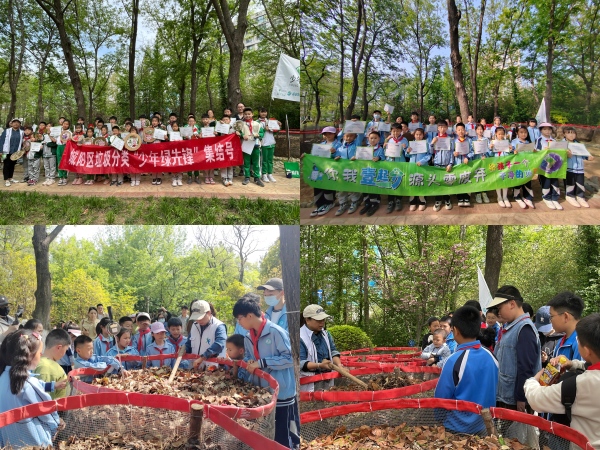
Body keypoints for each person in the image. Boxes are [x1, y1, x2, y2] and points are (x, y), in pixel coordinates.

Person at [525, 313, 600, 449]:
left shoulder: (580, 385)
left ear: (587, 351)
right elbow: (588, 365)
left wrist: (533, 380)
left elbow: (536, 399)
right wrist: (573, 364)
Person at [233, 296, 299, 449]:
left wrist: (262, 363)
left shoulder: (276, 332)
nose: (239, 323)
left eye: (239, 318)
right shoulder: (249, 337)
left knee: (282, 433)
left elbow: (290, 358)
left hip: (281, 392)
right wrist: (250, 361)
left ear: (250, 316)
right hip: (262, 392)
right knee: (265, 432)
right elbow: (250, 356)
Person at [434, 306, 499, 434]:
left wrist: (440, 420)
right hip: (485, 426)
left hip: (456, 428)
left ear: (456, 331)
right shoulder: (492, 357)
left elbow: (441, 398)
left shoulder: (453, 360)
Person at [0, 330, 62, 448]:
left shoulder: (2, 377)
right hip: (34, 442)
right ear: (28, 355)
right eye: (39, 353)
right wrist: (56, 425)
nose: (41, 355)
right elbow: (47, 412)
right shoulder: (28, 383)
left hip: (9, 442)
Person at [488, 285, 541, 413]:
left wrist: (521, 398)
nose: (498, 312)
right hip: (506, 396)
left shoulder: (525, 329)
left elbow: (526, 367)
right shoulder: (511, 327)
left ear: (512, 304)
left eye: (500, 308)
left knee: (516, 433)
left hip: (515, 401)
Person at [299, 304, 342, 392]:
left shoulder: (326, 334)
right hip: (309, 384)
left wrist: (339, 366)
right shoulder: (300, 337)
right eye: (318, 320)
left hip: (327, 380)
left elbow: (333, 351)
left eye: (323, 319)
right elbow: (299, 363)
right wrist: (319, 365)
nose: (322, 322)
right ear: (307, 320)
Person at [305, 126, 339, 217]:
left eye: (330, 133)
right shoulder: (321, 144)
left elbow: (341, 155)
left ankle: (329, 203)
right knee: (318, 185)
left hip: (331, 169)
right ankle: (319, 205)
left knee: (328, 185)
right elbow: (315, 155)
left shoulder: (338, 144)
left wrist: (334, 153)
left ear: (334, 134)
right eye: (325, 134)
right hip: (319, 168)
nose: (327, 135)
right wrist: (306, 156)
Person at [188, 300, 227, 370]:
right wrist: (185, 348)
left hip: (212, 369)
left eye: (201, 317)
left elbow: (219, 344)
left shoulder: (219, 326)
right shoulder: (194, 325)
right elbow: (189, 342)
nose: (199, 320)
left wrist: (203, 357)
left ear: (208, 313)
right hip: (195, 368)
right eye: (196, 318)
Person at [547, 291, 585, 361]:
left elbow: (581, 371)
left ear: (566, 317)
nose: (550, 320)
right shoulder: (560, 342)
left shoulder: (581, 342)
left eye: (551, 316)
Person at [33, 329, 70, 400]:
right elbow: (43, 399)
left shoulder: (41, 362)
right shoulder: (46, 367)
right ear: (59, 347)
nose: (65, 353)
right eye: (65, 350)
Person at [563, 126, 593, 208]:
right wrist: (566, 155)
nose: (571, 135)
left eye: (573, 133)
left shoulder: (579, 144)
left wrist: (589, 157)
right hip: (568, 168)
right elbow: (558, 157)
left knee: (580, 183)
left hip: (580, 168)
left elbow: (585, 155)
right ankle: (570, 196)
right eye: (568, 133)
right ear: (564, 134)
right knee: (570, 183)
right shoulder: (562, 144)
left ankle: (580, 197)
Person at [358, 130, 386, 216]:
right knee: (365, 188)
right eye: (371, 138)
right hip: (365, 171)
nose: (373, 140)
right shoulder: (364, 148)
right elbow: (360, 157)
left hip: (375, 171)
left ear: (379, 139)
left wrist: (378, 158)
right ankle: (367, 203)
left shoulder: (380, 148)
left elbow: (383, 157)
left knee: (374, 187)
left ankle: (375, 204)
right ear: (368, 139)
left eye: (375, 138)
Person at [333, 132, 361, 215]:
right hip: (342, 170)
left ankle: (355, 201)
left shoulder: (357, 144)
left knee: (353, 185)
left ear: (355, 136)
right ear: (344, 137)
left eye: (351, 136)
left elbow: (361, 135)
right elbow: (335, 155)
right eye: (347, 136)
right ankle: (343, 203)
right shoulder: (340, 148)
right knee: (341, 187)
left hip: (353, 169)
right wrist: (336, 156)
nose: (349, 138)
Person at [536, 122, 562, 210]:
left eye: (549, 129)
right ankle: (546, 198)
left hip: (554, 165)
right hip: (544, 165)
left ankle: (555, 198)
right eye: (545, 129)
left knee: (555, 181)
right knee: (546, 181)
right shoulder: (539, 140)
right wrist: (543, 150)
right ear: (541, 130)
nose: (547, 131)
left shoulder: (554, 141)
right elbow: (536, 151)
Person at [383, 123, 408, 213]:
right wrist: (384, 147)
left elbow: (407, 154)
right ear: (391, 131)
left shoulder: (404, 140)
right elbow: (385, 153)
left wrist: (405, 149)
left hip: (400, 163)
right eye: (393, 131)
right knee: (390, 182)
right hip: (390, 163)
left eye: (397, 131)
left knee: (399, 181)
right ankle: (390, 201)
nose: (395, 133)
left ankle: (398, 200)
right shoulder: (389, 140)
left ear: (401, 131)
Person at [431, 120, 455, 211]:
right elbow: (430, 152)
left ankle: (447, 200)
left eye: (444, 127)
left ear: (447, 128)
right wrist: (432, 144)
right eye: (440, 127)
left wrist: (450, 163)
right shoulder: (435, 138)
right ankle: (437, 201)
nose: (442, 129)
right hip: (437, 164)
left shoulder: (450, 139)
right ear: (438, 128)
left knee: (447, 182)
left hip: (446, 165)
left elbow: (452, 152)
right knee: (437, 182)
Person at [238, 107, 265, 187]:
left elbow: (262, 133)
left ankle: (257, 178)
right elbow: (238, 133)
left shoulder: (257, 124)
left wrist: (259, 135)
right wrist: (242, 135)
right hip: (246, 145)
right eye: (245, 114)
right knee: (246, 162)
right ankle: (247, 177)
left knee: (256, 163)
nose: (247, 115)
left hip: (255, 145)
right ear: (243, 115)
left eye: (249, 114)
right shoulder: (241, 124)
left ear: (252, 114)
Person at [405, 127, 431, 211]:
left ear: (423, 135)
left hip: (423, 166)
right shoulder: (411, 144)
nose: (418, 136)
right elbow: (407, 156)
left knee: (421, 182)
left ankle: (422, 201)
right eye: (417, 134)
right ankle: (412, 201)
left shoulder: (426, 144)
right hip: (412, 166)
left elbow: (429, 155)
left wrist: (422, 161)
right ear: (414, 135)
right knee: (412, 183)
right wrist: (407, 151)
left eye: (420, 134)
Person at [511, 125, 535, 209]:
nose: (523, 134)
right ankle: (517, 196)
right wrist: (513, 151)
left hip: (527, 165)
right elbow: (510, 151)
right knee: (518, 180)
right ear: (517, 133)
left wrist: (534, 151)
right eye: (521, 132)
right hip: (518, 165)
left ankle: (528, 197)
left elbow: (533, 153)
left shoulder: (529, 142)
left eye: (525, 132)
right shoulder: (514, 142)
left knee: (527, 180)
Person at [489, 126, 513, 208]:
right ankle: (499, 197)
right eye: (499, 134)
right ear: (496, 134)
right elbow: (490, 155)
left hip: (505, 164)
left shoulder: (507, 143)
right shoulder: (492, 142)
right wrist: (491, 149)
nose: (501, 136)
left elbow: (510, 155)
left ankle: (505, 197)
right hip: (497, 163)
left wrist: (511, 150)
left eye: (502, 134)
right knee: (498, 180)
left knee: (505, 179)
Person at [453, 123, 474, 207]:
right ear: (456, 131)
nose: (461, 131)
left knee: (467, 179)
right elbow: (451, 151)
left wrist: (468, 157)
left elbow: (473, 151)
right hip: (457, 163)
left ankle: (467, 198)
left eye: (462, 129)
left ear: (465, 131)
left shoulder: (469, 140)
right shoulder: (454, 141)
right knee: (459, 179)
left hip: (467, 163)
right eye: (459, 130)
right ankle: (460, 197)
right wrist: (454, 153)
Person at [258, 108, 280, 183]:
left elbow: (275, 132)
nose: (263, 113)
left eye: (265, 112)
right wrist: (264, 129)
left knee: (270, 160)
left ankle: (270, 174)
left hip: (271, 142)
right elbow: (257, 133)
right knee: (264, 160)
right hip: (263, 143)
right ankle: (264, 174)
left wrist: (278, 127)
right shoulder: (257, 122)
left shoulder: (271, 121)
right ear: (259, 113)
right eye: (262, 112)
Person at [0, 119, 24, 187]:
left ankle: (10, 178)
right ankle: (6, 179)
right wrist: (0, 150)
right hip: (5, 152)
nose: (16, 124)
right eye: (14, 122)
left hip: (16, 152)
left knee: (12, 165)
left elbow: (22, 142)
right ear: (11, 124)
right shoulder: (6, 131)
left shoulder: (21, 132)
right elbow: (1, 140)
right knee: (6, 165)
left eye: (17, 123)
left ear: (20, 124)